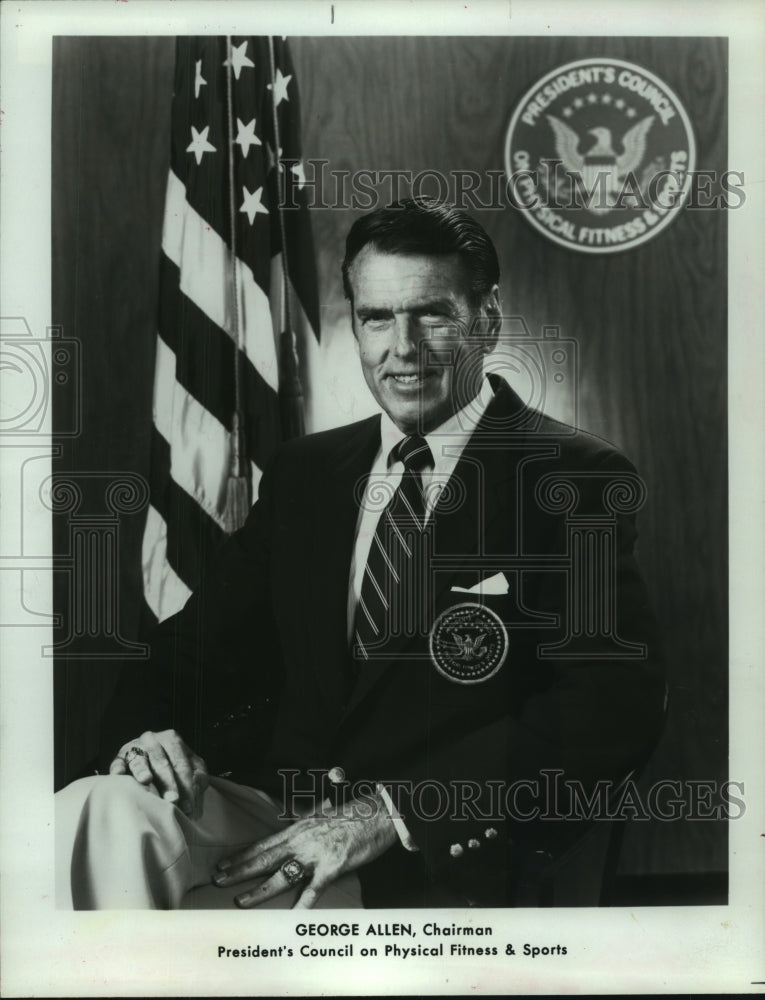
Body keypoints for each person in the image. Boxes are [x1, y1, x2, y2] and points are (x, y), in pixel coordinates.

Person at [55, 198, 666, 910]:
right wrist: (143, 738)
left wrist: (391, 812)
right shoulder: (307, 473)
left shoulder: (572, 476)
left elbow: (610, 705)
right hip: (271, 814)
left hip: (419, 853)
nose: (401, 347)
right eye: (376, 317)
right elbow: (192, 650)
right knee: (93, 809)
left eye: (431, 314)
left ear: (487, 320)